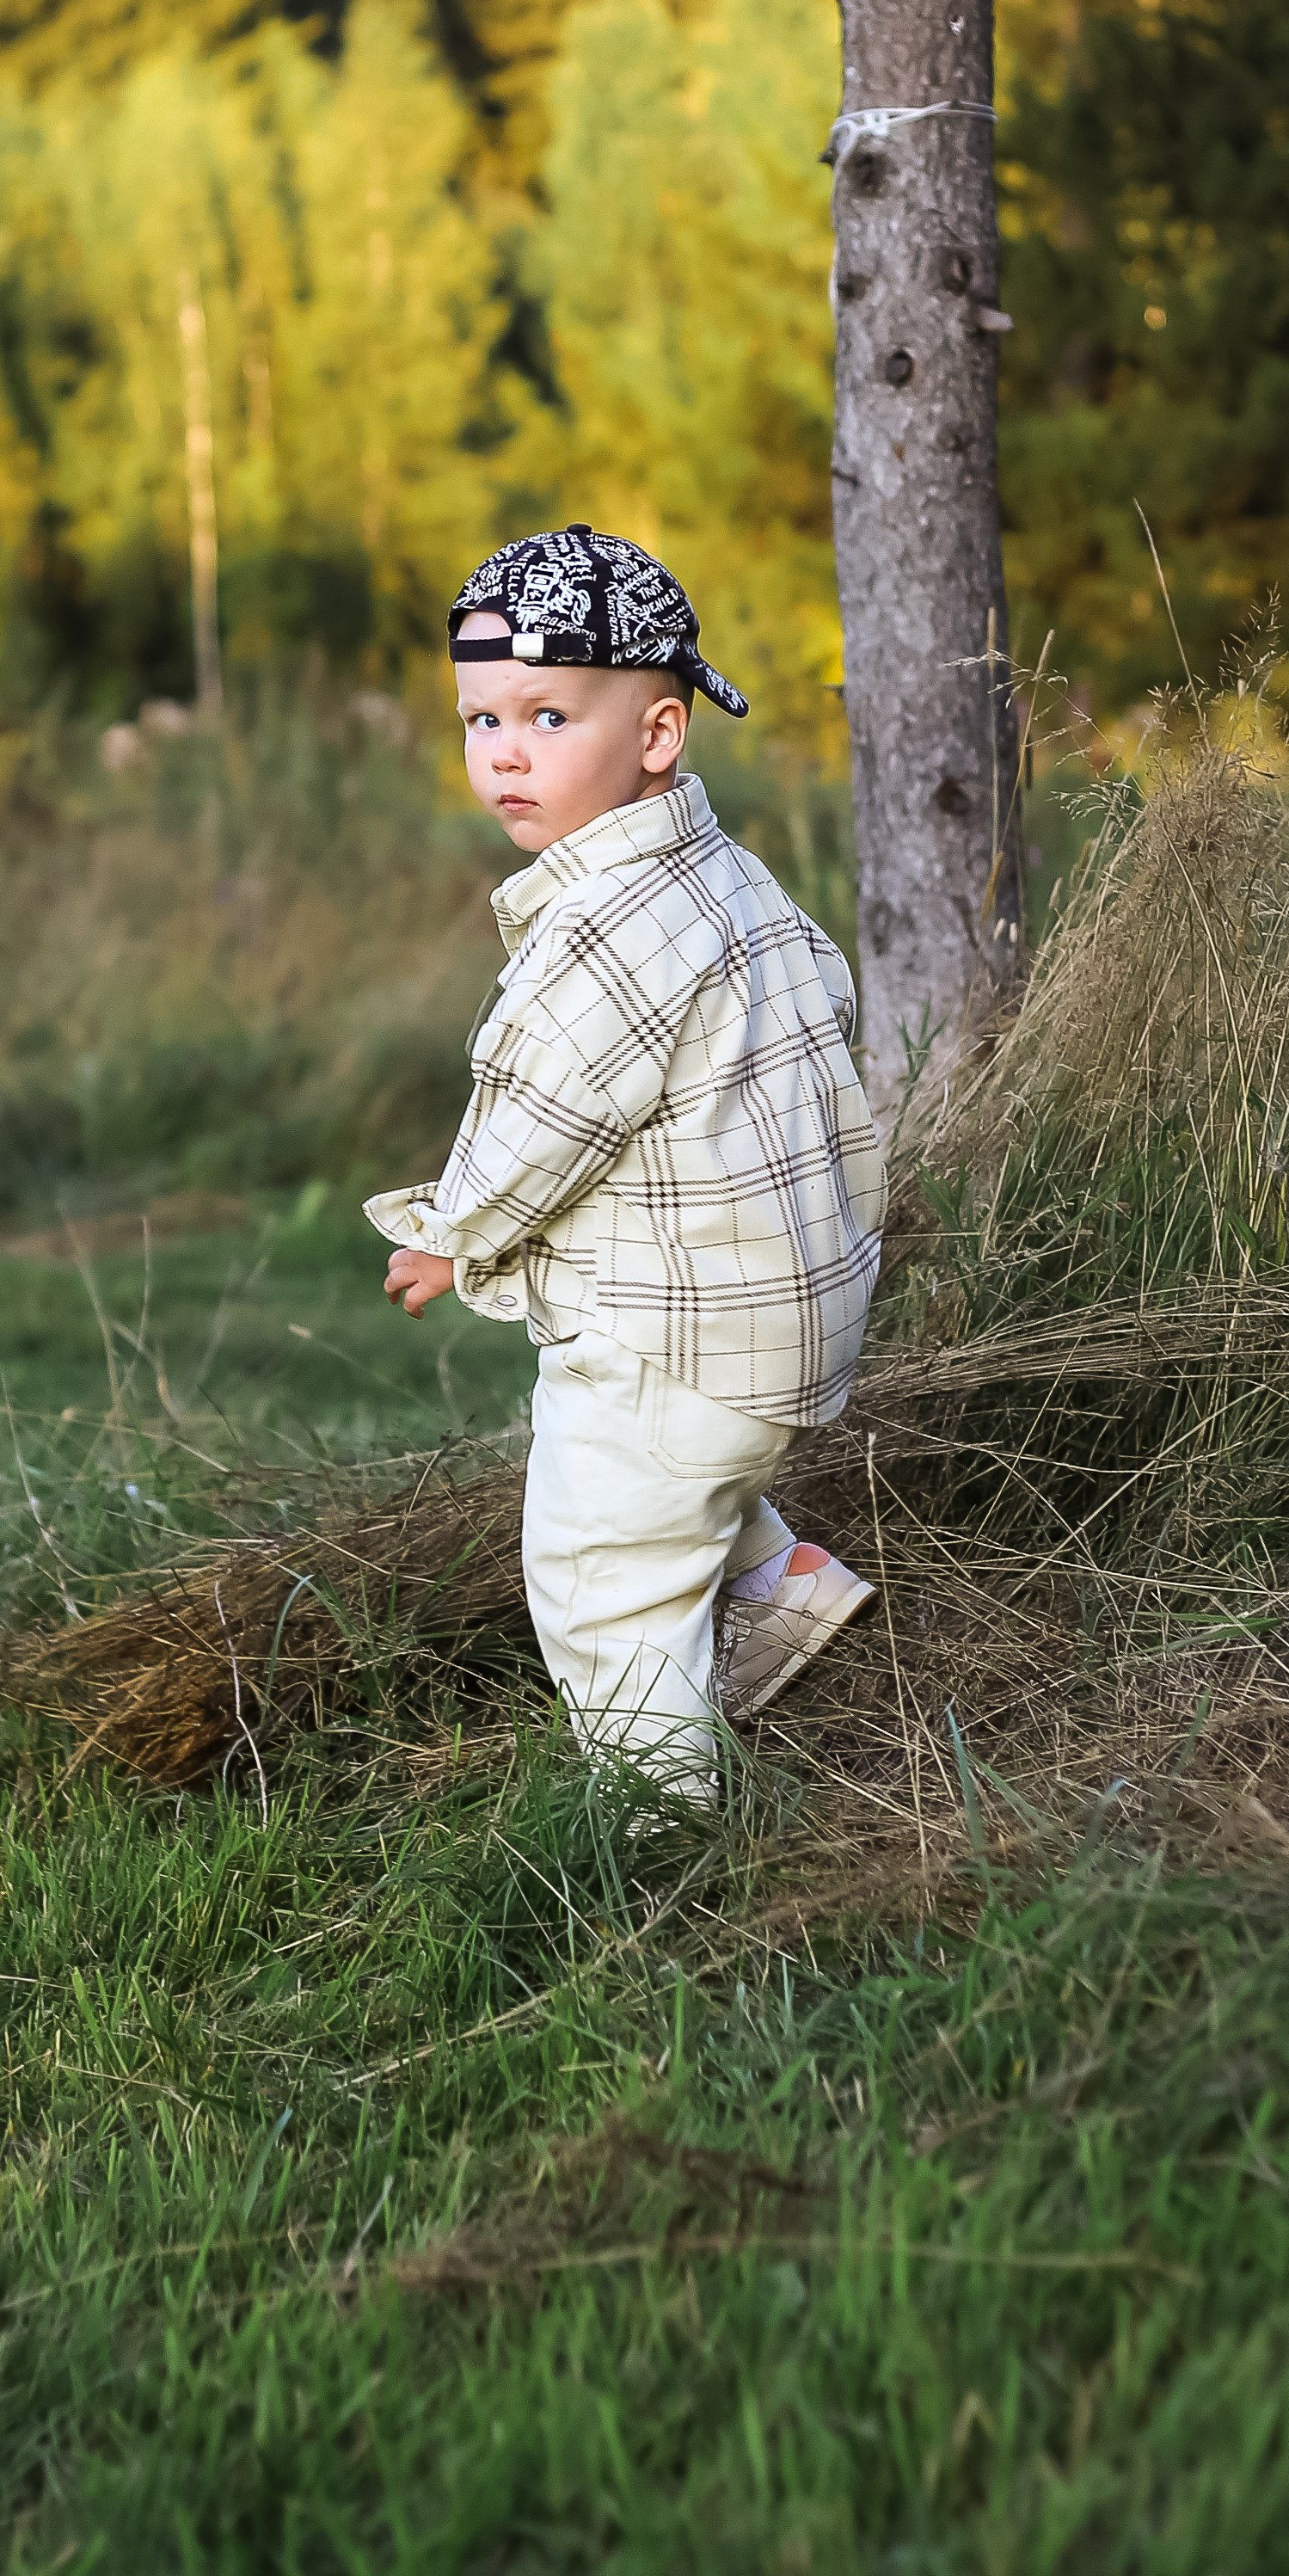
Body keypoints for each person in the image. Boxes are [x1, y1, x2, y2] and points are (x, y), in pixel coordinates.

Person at [365, 526, 887, 1803]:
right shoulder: (731, 878)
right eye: (481, 719)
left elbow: (548, 1105)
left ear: (657, 735)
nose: (504, 752)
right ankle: (777, 1588)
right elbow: (824, 1003)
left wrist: (457, 1230)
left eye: (547, 714)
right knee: (689, 1489)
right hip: (782, 1321)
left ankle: (663, 1838)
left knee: (603, 1573)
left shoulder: (605, 924)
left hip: (673, 1336)